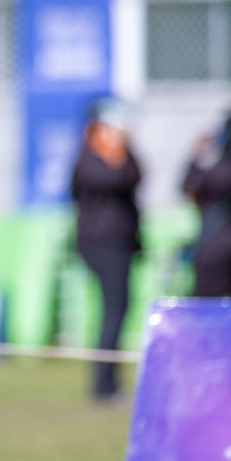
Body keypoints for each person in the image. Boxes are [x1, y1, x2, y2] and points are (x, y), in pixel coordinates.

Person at [69, 99, 142, 402]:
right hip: (102, 244)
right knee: (113, 310)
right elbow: (114, 181)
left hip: (121, 243)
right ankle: (103, 385)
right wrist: (118, 149)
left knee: (119, 309)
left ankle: (110, 382)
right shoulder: (89, 161)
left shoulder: (119, 158)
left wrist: (126, 148)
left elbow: (135, 176)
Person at [183, 111, 231, 298]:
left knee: (209, 308)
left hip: (213, 247)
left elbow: (189, 187)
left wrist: (196, 157)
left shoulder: (213, 172)